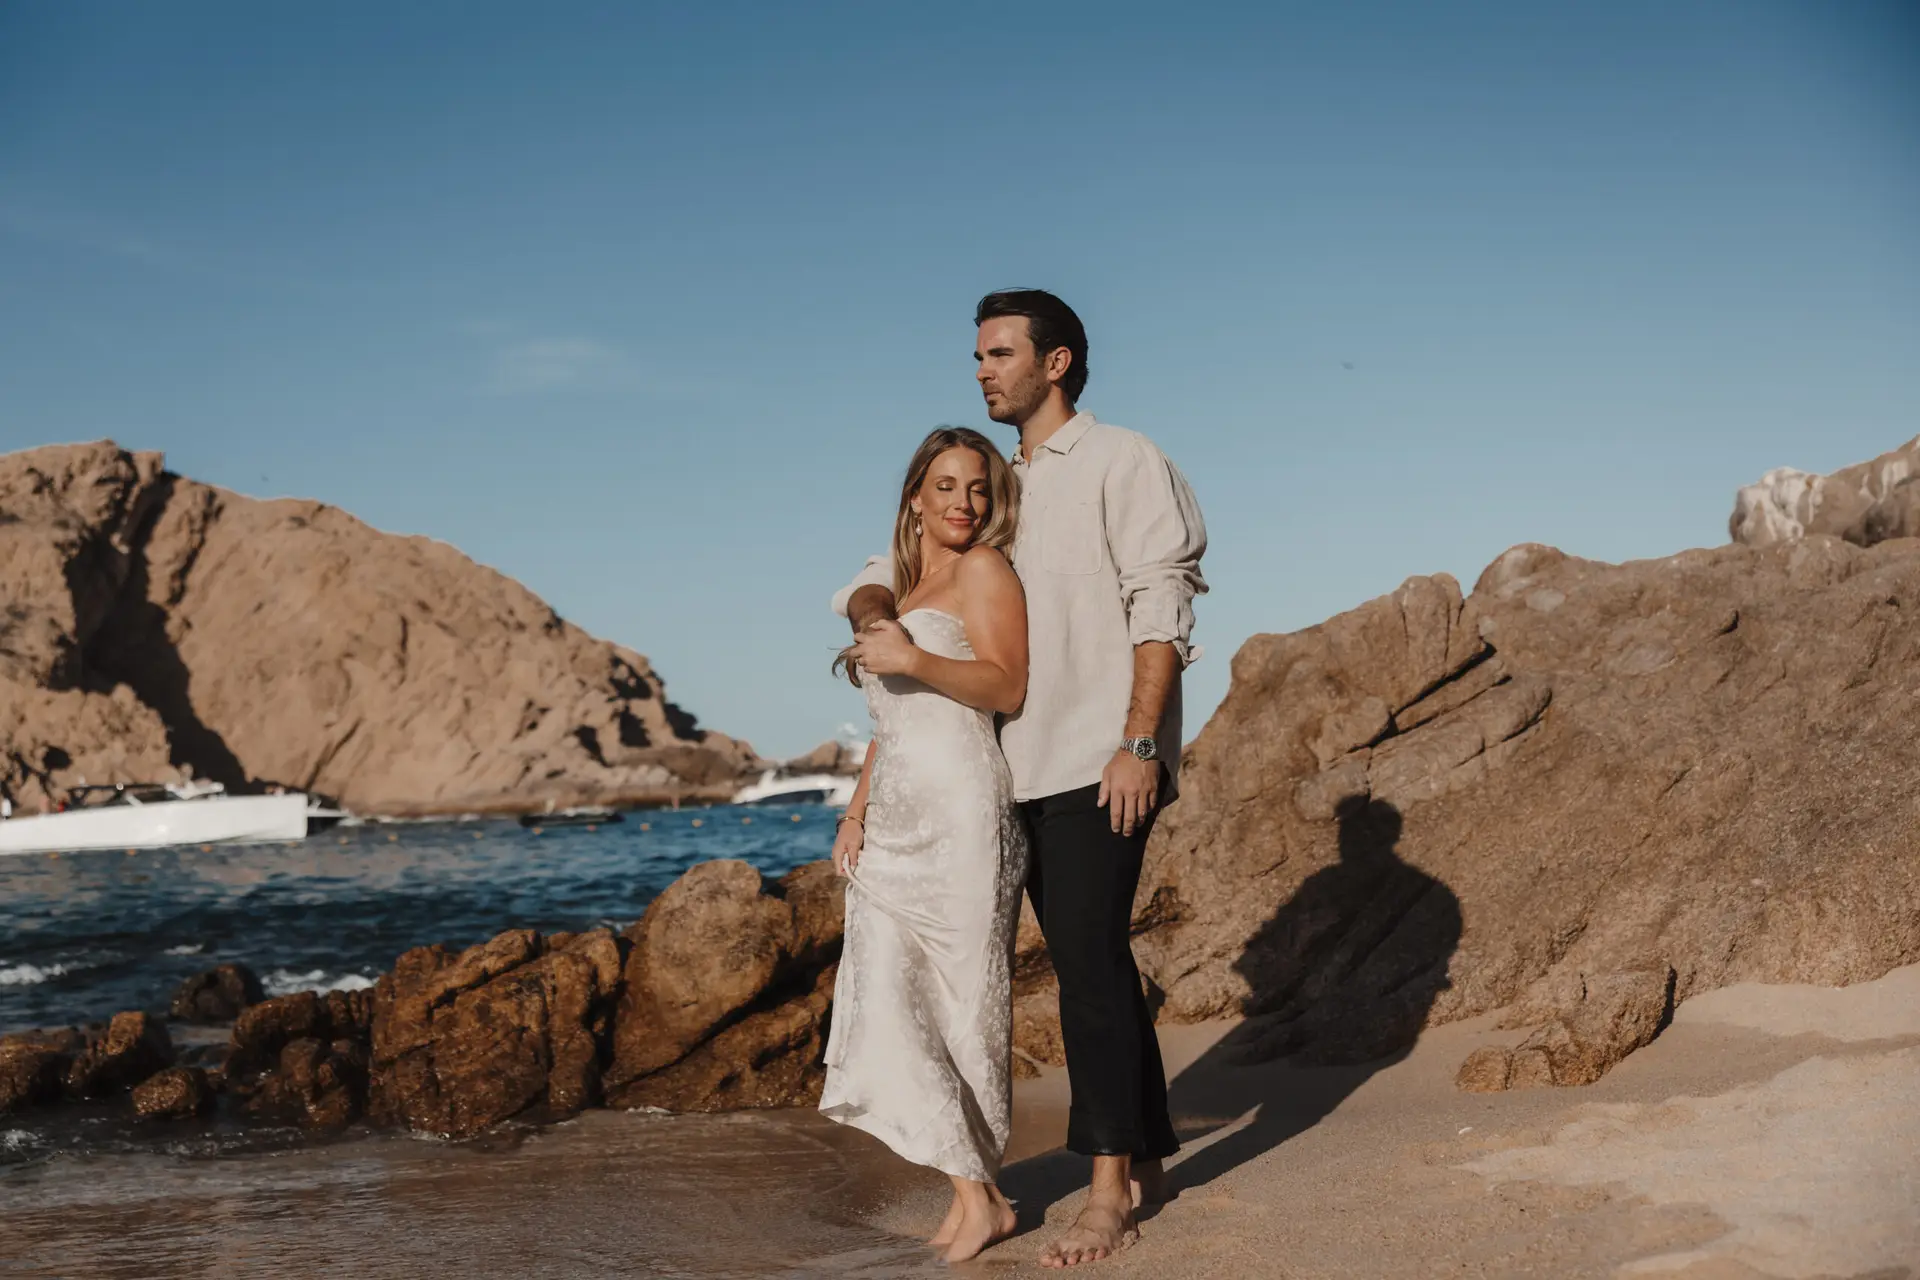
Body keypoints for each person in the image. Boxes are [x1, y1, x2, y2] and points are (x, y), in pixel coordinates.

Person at [833, 289, 1207, 1268]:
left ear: (1057, 362)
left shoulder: (1126, 460)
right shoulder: (993, 483)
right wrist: (879, 614)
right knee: (1098, 964)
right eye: (977, 356)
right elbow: (884, 569)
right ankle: (1151, 1156)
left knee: (1086, 962)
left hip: (1098, 755)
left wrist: (1140, 742)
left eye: (999, 353)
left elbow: (1161, 606)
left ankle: (1107, 1193)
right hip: (1006, 771)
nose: (982, 369)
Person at [818, 426, 1032, 1265]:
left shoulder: (984, 569)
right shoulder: (903, 582)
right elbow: (890, 723)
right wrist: (857, 811)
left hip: (965, 814)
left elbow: (1006, 683)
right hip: (898, 817)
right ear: (915, 496)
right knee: (885, 1003)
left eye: (977, 489)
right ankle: (975, 1192)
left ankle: (980, 1198)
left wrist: (914, 656)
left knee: (958, 1011)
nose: (962, 504)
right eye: (945, 487)